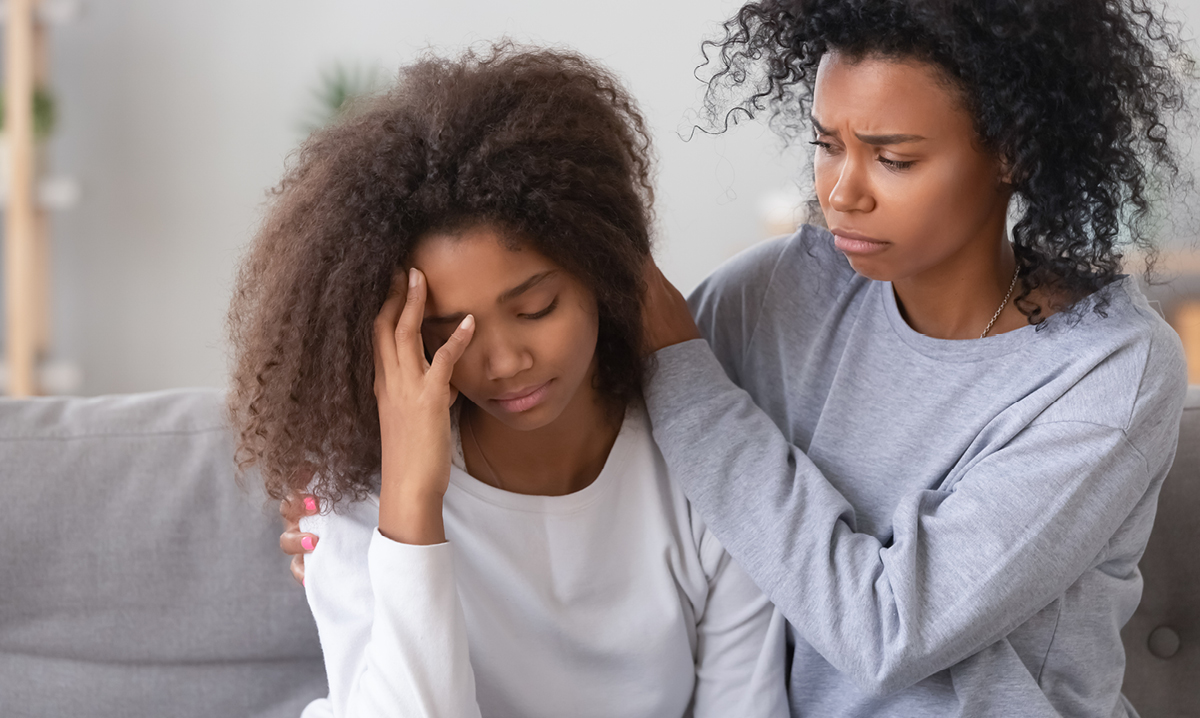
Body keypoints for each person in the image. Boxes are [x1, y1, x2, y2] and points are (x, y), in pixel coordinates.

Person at [635, 0, 1195, 715]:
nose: (841, 193)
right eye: (827, 145)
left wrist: (685, 376)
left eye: (893, 157)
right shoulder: (777, 290)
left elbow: (892, 632)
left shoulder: (1109, 371)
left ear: (1012, 153)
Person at [227, 45, 788, 718]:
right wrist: (409, 502)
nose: (503, 362)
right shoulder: (353, 490)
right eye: (446, 334)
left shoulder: (704, 470)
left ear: (603, 272)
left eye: (535, 309)